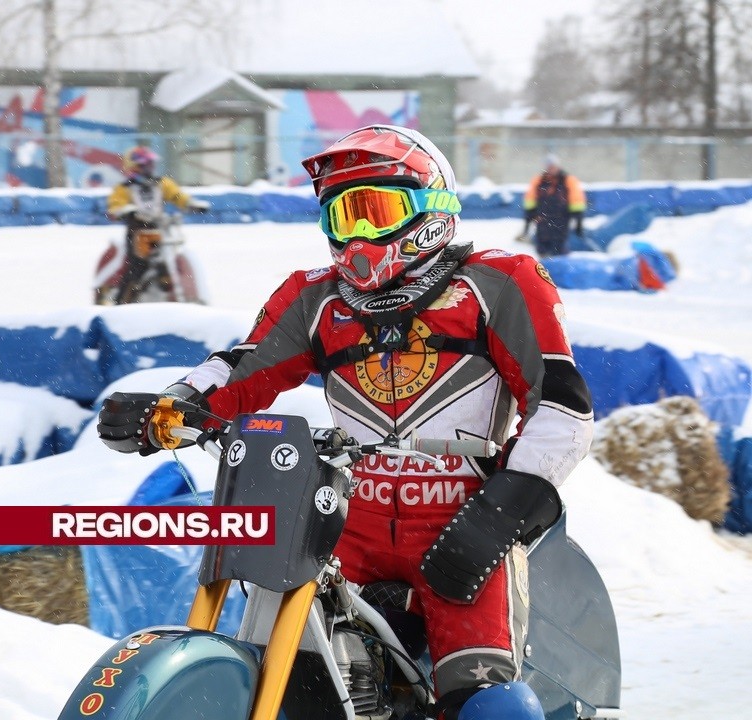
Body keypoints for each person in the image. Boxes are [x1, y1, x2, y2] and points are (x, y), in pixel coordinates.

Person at [97, 125, 594, 720]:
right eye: (341, 215)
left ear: (431, 208)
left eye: (373, 211)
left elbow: (564, 408)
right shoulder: (314, 299)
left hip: (461, 521)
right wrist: (168, 408)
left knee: (491, 708)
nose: (355, 235)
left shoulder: (499, 283)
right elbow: (241, 369)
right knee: (293, 679)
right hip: (342, 523)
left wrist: (497, 518)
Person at [105, 146, 210, 304]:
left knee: (166, 262)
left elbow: (177, 195)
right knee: (137, 268)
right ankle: (120, 302)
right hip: (138, 231)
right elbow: (115, 205)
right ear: (134, 167)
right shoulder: (124, 188)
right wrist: (126, 210)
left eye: (151, 164)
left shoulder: (161, 184)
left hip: (159, 229)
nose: (149, 168)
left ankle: (169, 295)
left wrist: (191, 204)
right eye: (144, 165)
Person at [520, 154, 587, 257]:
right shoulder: (539, 180)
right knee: (542, 247)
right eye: (549, 166)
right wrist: (529, 216)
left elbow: (576, 199)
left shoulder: (567, 180)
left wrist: (578, 221)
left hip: (561, 219)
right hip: (542, 219)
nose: (551, 169)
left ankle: (558, 266)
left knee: (559, 246)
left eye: (553, 166)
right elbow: (530, 199)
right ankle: (543, 267)